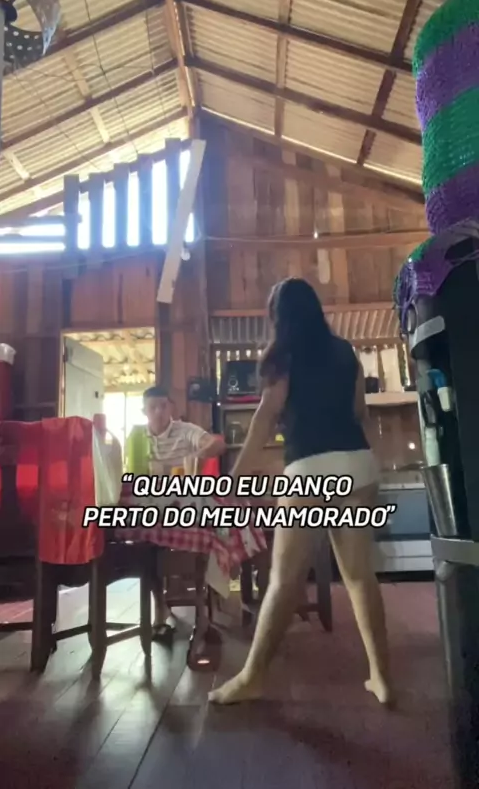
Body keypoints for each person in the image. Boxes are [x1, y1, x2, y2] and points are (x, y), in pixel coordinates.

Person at [208, 278, 392, 706]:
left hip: (310, 471)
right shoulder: (345, 352)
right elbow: (360, 413)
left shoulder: (284, 355)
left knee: (284, 581)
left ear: (279, 316)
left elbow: (264, 418)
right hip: (358, 466)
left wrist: (233, 478)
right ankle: (382, 678)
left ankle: (252, 677)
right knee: (360, 577)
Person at [126, 385, 225, 641]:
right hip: (153, 505)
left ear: (170, 407)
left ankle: (201, 608)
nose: (159, 412)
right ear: (144, 411)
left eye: (163, 405)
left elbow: (216, 444)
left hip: (185, 503)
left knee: (207, 525)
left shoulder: (185, 430)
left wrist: (199, 453)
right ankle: (160, 605)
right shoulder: (137, 438)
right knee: (144, 539)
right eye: (153, 407)